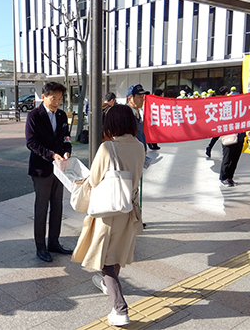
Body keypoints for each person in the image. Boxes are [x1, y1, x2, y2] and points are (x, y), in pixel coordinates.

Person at [72, 104, 145, 327]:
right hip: (129, 208)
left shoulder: (107, 148)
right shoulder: (140, 146)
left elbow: (94, 181)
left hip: (108, 211)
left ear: (111, 124)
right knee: (117, 252)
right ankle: (108, 285)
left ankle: (120, 309)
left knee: (105, 259)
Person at [25, 82, 73, 262]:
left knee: (57, 206)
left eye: (60, 99)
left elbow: (66, 136)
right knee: (42, 208)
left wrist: (67, 150)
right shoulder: (34, 115)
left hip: (60, 169)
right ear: (43, 96)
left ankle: (54, 242)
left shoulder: (61, 115)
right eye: (54, 98)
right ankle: (40, 246)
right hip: (42, 168)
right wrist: (51, 155)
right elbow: (31, 143)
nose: (57, 102)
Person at [205, 86, 230, 158]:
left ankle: (209, 148)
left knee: (216, 137)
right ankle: (224, 152)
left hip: (219, 121)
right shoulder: (227, 100)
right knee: (225, 138)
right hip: (224, 121)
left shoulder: (218, 99)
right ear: (226, 92)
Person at [126, 84, 149, 152]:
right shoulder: (124, 115)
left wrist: (144, 149)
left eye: (143, 97)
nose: (142, 100)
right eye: (139, 97)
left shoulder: (137, 112)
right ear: (130, 99)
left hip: (140, 153)